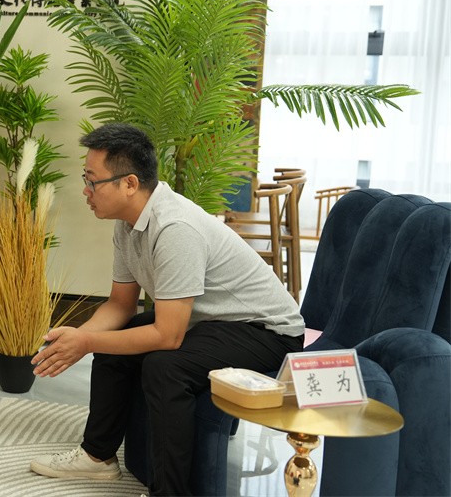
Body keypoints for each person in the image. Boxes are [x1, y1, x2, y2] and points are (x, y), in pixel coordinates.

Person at [29, 123, 303, 496]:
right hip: (209, 321)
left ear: (129, 184)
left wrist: (87, 342)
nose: (85, 191)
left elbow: (168, 336)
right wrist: (78, 338)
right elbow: (120, 305)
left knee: (164, 367)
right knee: (112, 341)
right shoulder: (127, 224)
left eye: (93, 181)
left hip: (266, 331)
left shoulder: (175, 228)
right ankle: (98, 457)